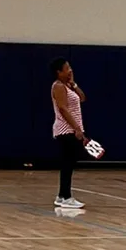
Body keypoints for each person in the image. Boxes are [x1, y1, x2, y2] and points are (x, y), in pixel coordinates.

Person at [51, 57, 88, 209]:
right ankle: (66, 196)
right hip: (65, 130)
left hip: (72, 129)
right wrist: (77, 129)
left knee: (69, 162)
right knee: (67, 163)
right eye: (66, 68)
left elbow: (83, 98)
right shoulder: (58, 86)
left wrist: (73, 84)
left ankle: (62, 196)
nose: (70, 70)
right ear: (58, 72)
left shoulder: (68, 86)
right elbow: (63, 109)